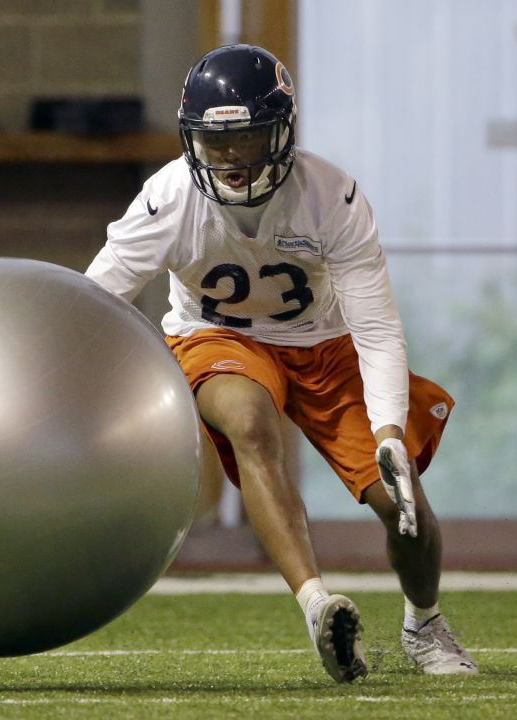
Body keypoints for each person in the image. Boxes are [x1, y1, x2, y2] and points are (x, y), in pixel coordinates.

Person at [84, 43, 478, 683]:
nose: (235, 158)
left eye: (251, 137)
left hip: (323, 346)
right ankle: (318, 605)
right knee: (247, 421)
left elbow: (375, 327)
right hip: (218, 337)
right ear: (192, 141)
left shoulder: (330, 196)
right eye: (220, 142)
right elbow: (94, 302)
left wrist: (386, 434)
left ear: (284, 131)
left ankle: (424, 622)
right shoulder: (170, 198)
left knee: (402, 504)